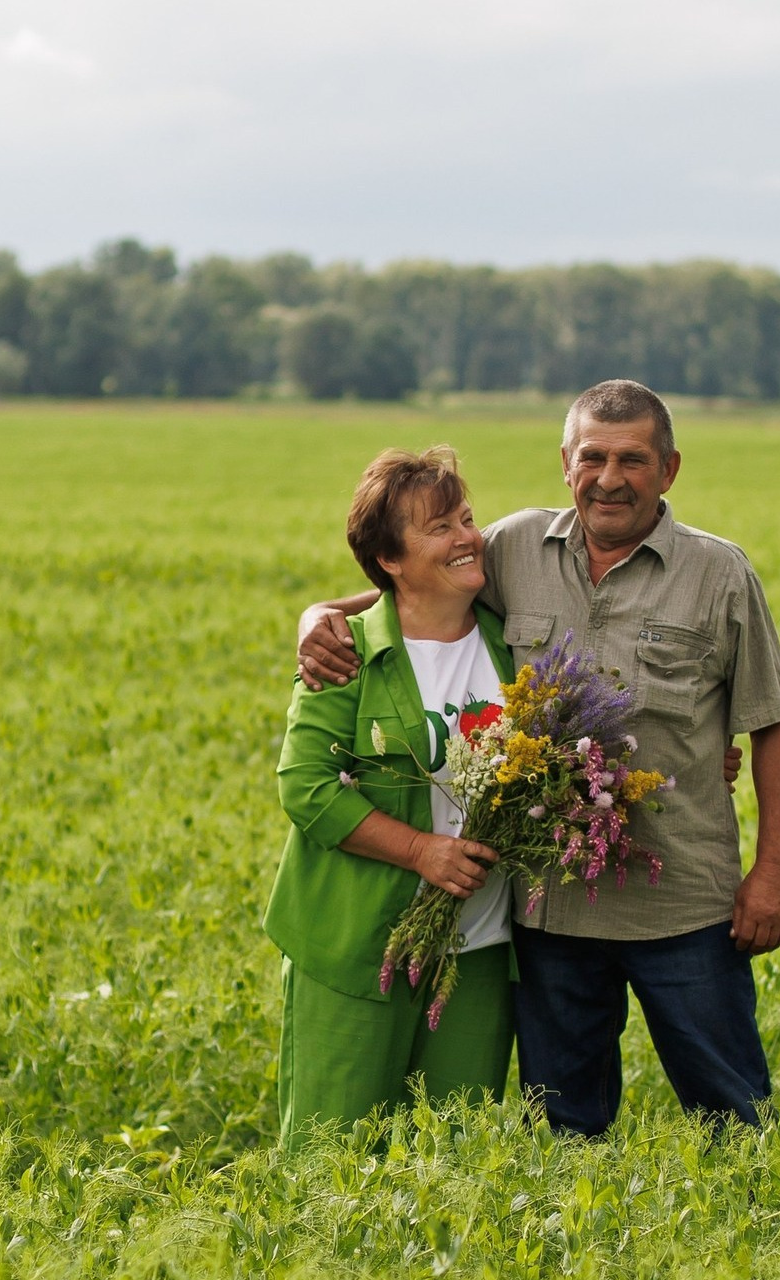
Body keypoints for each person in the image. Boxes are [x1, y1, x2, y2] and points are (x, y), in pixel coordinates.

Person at [298, 380, 780, 1136]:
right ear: (566, 463)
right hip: (552, 910)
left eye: (633, 459)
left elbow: (775, 725)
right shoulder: (512, 548)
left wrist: (773, 874)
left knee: (733, 1115)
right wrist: (317, 616)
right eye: (593, 456)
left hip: (686, 907)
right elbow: (415, 587)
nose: (610, 478)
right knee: (564, 1132)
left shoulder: (719, 574)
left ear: (669, 469)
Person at [267, 446, 515, 1148]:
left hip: (482, 952)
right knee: (332, 1161)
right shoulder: (345, 652)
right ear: (390, 561)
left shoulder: (515, 645)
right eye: (439, 528)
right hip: (356, 947)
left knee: (455, 1163)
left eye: (467, 518)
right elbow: (306, 788)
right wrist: (421, 852)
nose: (467, 537)